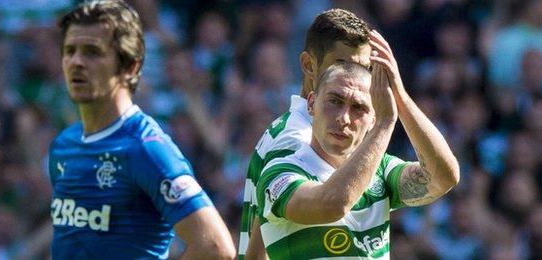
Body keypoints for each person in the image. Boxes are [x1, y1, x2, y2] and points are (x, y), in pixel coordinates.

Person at [48, 1, 235, 259]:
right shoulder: (64, 144)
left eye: (92, 52)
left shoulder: (146, 148)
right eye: (70, 51)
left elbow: (216, 247)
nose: (76, 62)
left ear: (130, 67)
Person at [255, 31, 460, 258]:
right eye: (334, 101)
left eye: (358, 108)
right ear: (312, 103)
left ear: (372, 117)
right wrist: (385, 123)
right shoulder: (280, 172)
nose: (343, 118)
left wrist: (400, 96)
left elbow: (444, 178)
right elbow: (334, 204)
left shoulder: (380, 169)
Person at [239, 9, 372, 259]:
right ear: (309, 65)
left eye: (364, 68)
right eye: (343, 64)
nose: (355, 78)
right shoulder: (294, 139)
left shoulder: (303, 129)